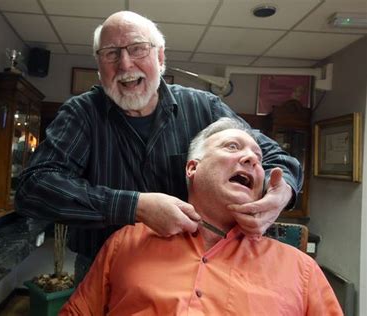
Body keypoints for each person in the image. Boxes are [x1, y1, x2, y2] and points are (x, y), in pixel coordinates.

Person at [15, 11, 302, 284]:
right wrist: (134, 206)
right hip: (102, 269)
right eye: (112, 53)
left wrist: (282, 191)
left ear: (160, 56)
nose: (125, 64)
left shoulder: (203, 107)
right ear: (99, 64)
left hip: (195, 267)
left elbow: (273, 156)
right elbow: (35, 188)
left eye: (138, 49)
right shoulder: (82, 113)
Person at [59, 118, 342, 316]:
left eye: (258, 158)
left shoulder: (301, 270)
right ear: (192, 168)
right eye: (232, 147)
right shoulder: (125, 243)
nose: (252, 160)